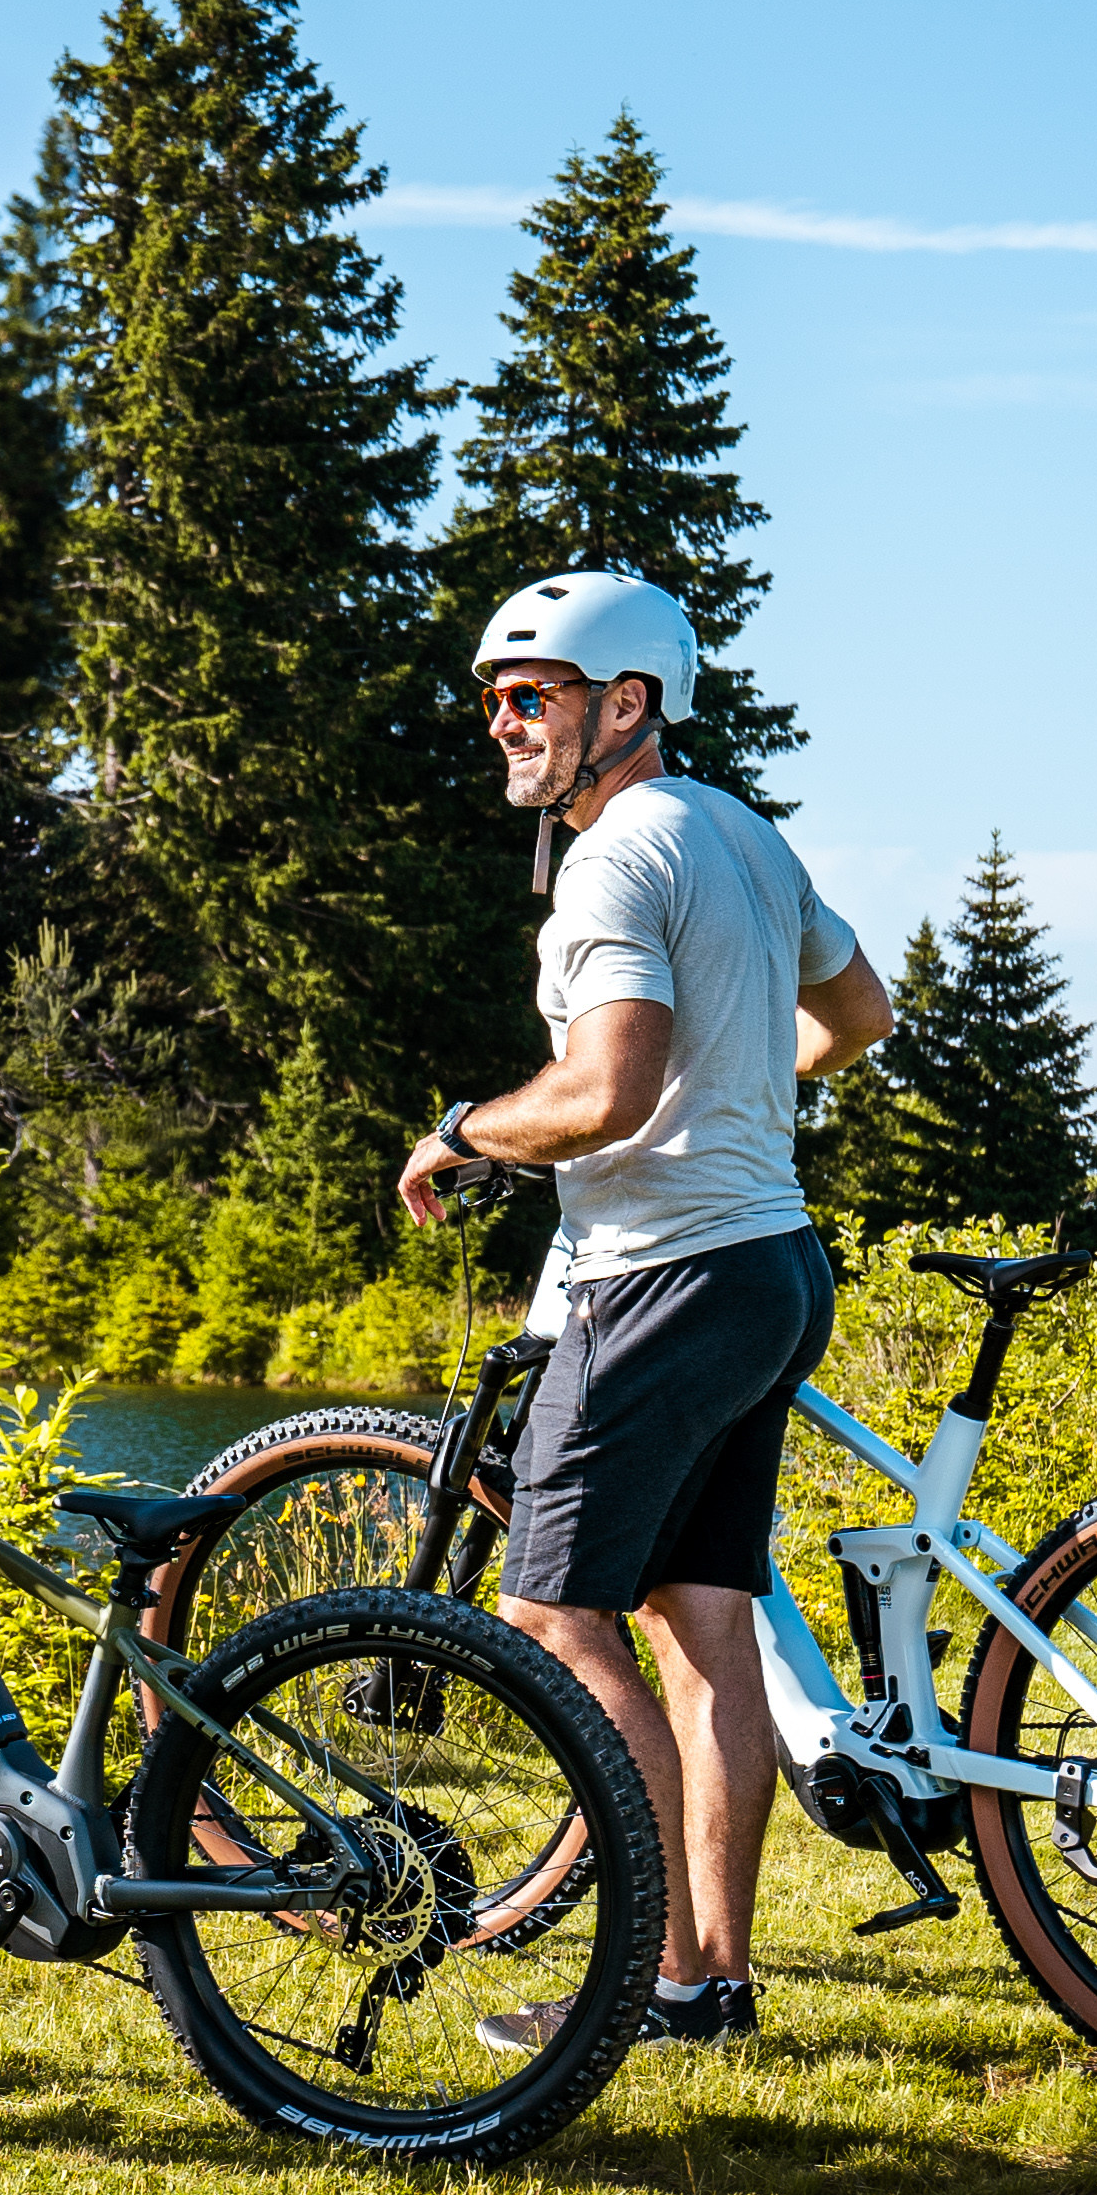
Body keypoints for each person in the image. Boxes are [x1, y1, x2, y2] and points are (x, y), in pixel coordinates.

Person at [393, 575, 896, 2047]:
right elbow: (859, 1016)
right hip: (771, 1267)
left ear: (627, 706)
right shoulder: (742, 834)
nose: (502, 717)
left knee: (551, 1610)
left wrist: (464, 1131)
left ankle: (642, 1977)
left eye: (531, 691)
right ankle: (705, 1981)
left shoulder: (612, 862)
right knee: (700, 1620)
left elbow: (605, 1091)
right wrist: (743, 1096)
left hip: (661, 1277)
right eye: (493, 695)